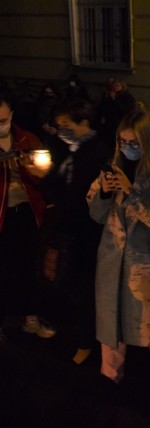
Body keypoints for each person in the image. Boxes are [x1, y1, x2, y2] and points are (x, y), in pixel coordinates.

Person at [87, 104, 150, 387]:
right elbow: (96, 215)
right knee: (110, 319)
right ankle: (111, 374)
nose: (127, 147)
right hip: (112, 256)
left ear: (146, 141)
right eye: (122, 142)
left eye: (134, 143)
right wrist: (103, 192)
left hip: (146, 260)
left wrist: (131, 191)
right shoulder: (111, 168)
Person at [37, 98, 111, 364]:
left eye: (66, 125)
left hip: (87, 234)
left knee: (84, 290)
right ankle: (81, 335)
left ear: (84, 123)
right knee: (70, 284)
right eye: (58, 126)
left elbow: (81, 201)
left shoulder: (96, 154)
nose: (60, 131)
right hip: (71, 230)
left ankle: (86, 342)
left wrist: (48, 182)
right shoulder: (73, 150)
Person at [0, 93, 49, 340]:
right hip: (1, 216)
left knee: (29, 268)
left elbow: (44, 175)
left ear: (11, 116)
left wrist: (31, 167)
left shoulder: (26, 139)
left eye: (2, 120)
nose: (0, 125)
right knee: (2, 270)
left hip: (27, 215)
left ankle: (31, 317)